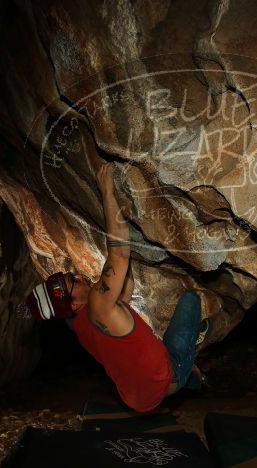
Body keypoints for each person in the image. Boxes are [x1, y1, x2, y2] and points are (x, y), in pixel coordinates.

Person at [21, 162, 209, 412]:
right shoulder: (98, 304)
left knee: (178, 366)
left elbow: (122, 303)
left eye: (70, 275)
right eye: (72, 283)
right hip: (167, 378)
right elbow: (119, 255)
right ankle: (189, 363)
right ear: (74, 304)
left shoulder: (78, 324)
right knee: (191, 301)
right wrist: (107, 192)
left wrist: (125, 277)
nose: (78, 276)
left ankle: (193, 378)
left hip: (136, 400)